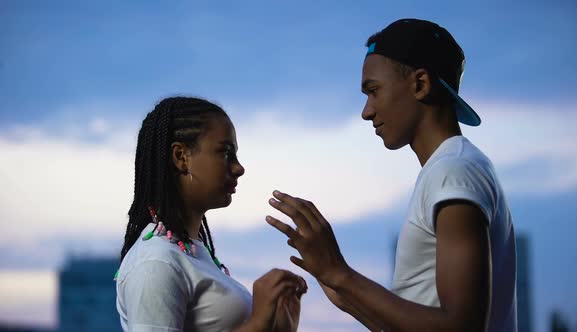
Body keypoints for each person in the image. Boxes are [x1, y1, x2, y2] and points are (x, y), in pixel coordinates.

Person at [266, 18, 516, 332]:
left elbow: (460, 327)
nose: (366, 111)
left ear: (420, 84)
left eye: (373, 91)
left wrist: (339, 272)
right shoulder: (449, 170)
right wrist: (330, 277)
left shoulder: (454, 172)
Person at [116, 97, 307, 332]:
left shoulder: (191, 253)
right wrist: (256, 325)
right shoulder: (156, 262)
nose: (239, 168)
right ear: (181, 157)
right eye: (225, 153)